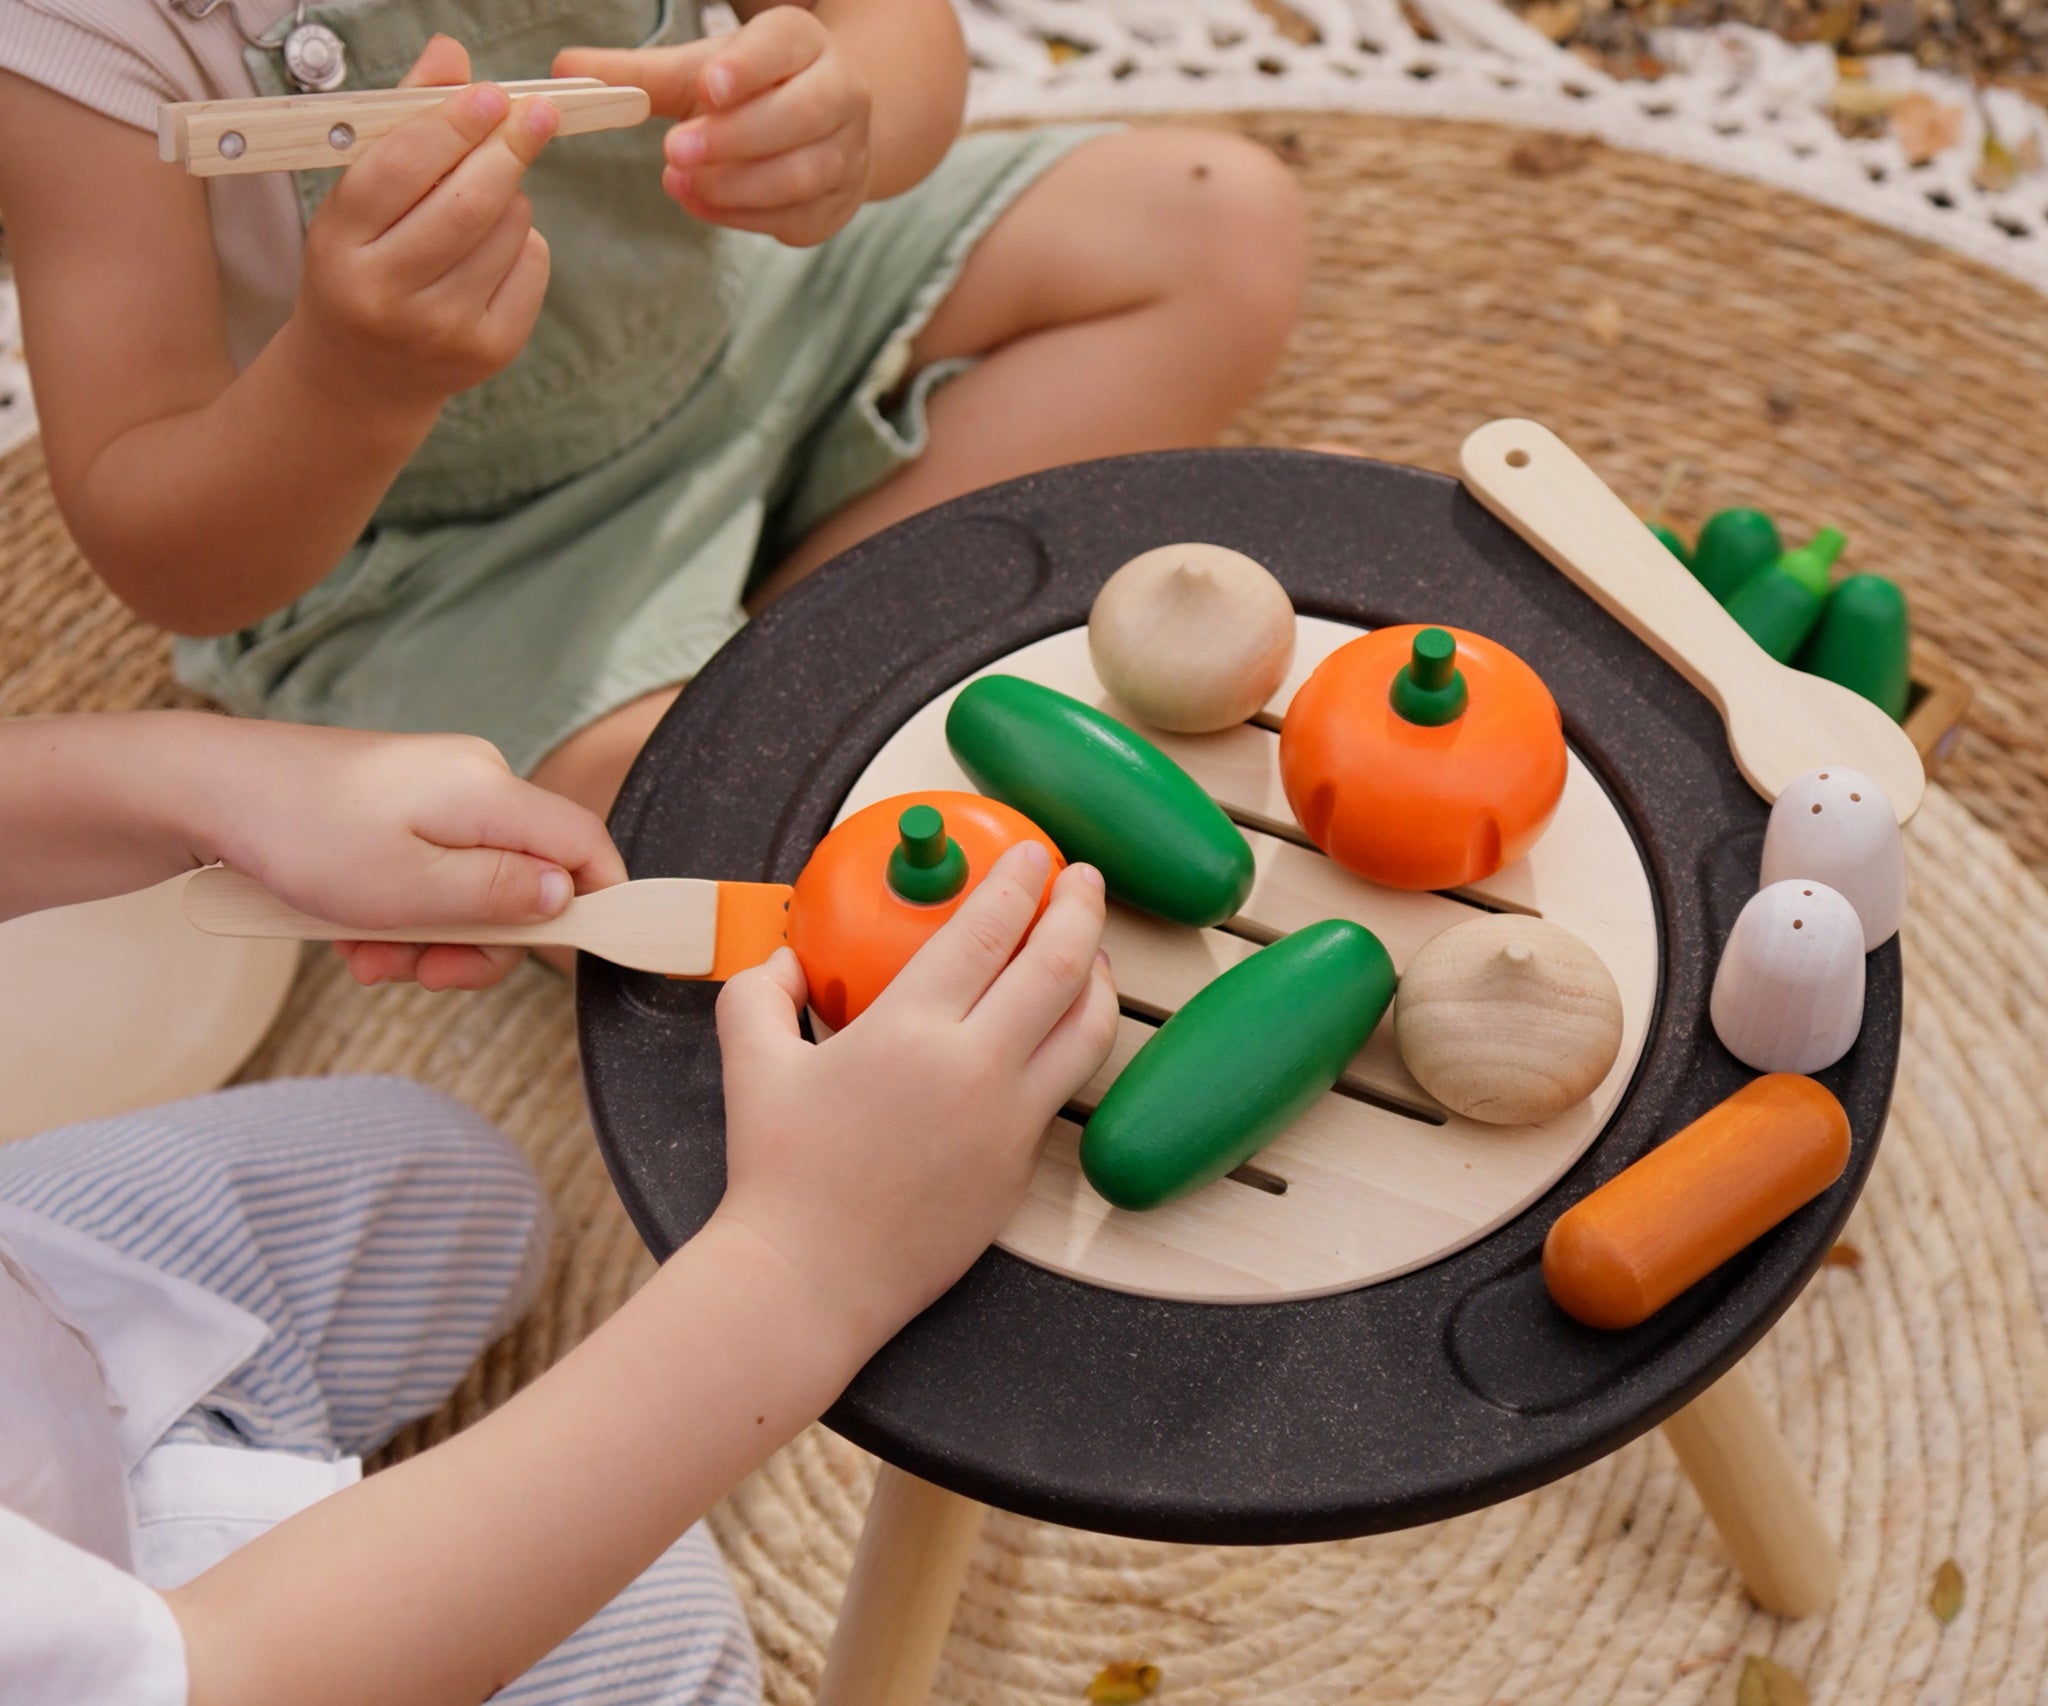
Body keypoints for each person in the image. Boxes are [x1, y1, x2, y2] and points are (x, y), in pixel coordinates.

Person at [0, 709, 1118, 1704]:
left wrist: (205, 787)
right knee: (664, 1629)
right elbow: (241, 1675)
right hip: (165, 1648)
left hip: (45, 1315)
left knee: (442, 1184)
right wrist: (804, 1267)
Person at [0, 0, 1306, 825]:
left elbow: (891, 34)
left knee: (1218, 225)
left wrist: (847, 114)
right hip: (450, 562)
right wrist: (352, 377)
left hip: (761, 314)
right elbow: (165, 547)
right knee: (674, 824)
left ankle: (799, 648)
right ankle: (782, 695)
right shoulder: (78, 40)